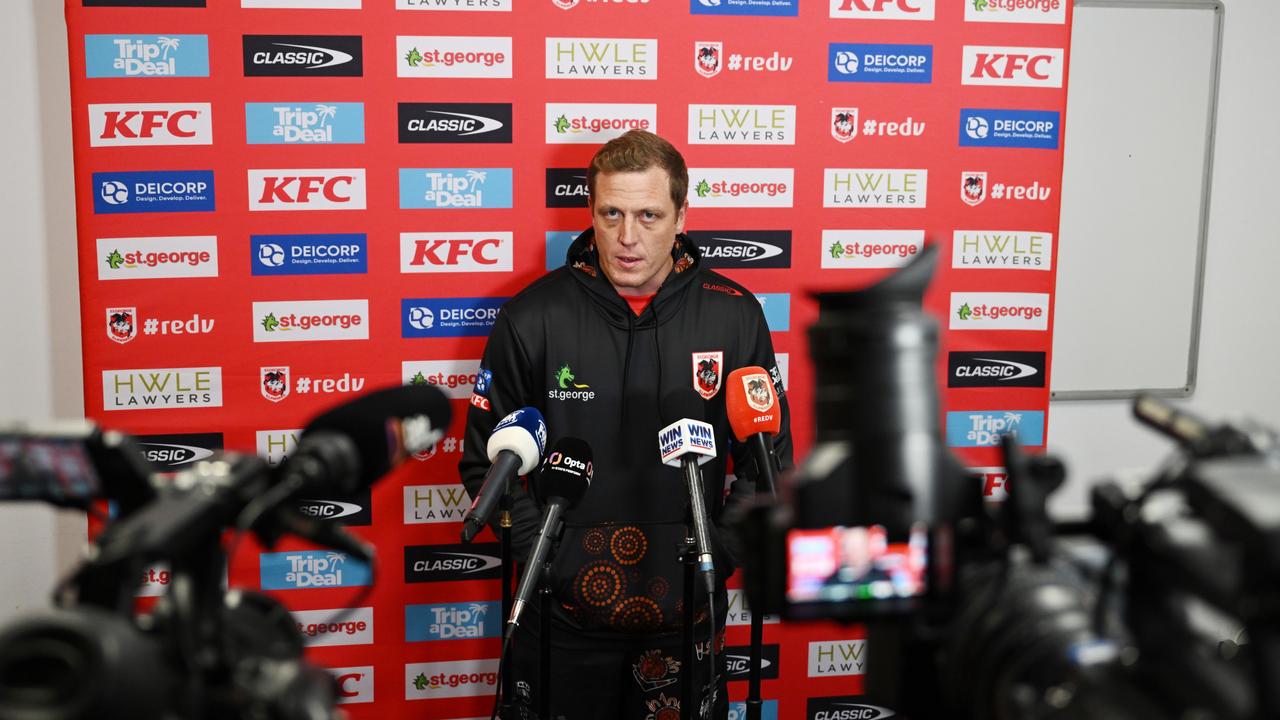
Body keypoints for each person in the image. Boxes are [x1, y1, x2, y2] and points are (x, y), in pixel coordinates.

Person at [459, 130, 792, 720]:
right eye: (611, 213)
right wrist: (548, 556)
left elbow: (768, 460)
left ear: (682, 215)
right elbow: (487, 462)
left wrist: (720, 552)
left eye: (648, 215)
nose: (628, 237)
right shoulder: (531, 317)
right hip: (559, 619)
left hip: (686, 615)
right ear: (590, 211)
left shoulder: (735, 315)